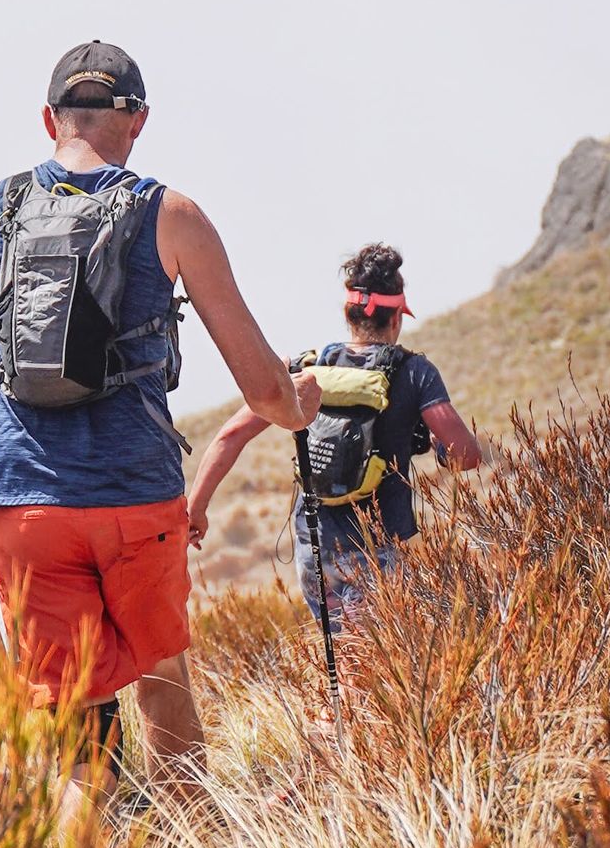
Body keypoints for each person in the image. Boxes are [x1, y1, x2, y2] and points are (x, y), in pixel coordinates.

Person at [0, 40, 319, 791]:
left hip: (22, 502)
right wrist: (299, 405)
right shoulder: (174, 216)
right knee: (163, 682)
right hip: (135, 496)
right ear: (140, 121)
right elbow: (261, 389)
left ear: (49, 119)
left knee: (75, 717)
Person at [186, 242, 482, 632]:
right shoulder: (415, 372)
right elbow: (467, 454)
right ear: (396, 320)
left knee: (343, 662)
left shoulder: (305, 369)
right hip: (379, 551)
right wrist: (444, 453)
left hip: (316, 551)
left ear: (348, 313)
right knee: (380, 668)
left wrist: (197, 509)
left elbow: (230, 436)